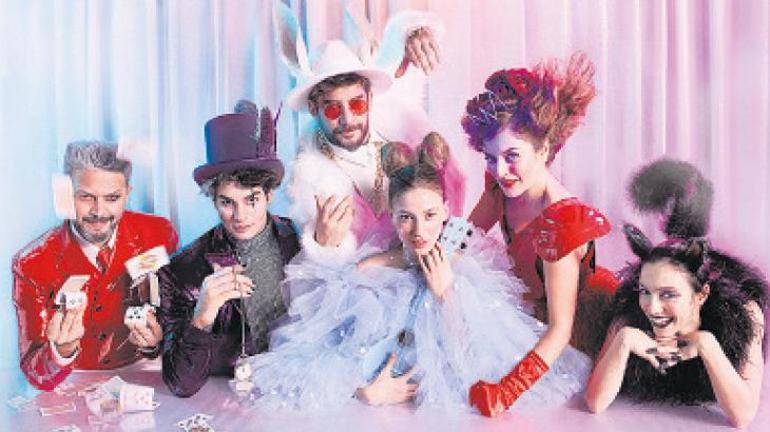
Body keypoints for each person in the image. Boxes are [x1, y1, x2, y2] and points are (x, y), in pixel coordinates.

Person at [247, 133, 590, 412]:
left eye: (429, 216)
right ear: (392, 216)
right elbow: (333, 353)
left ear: (446, 212)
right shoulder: (370, 271)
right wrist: (363, 391)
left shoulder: (465, 267)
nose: (419, 231)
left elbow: (465, 363)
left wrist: (445, 294)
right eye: (405, 218)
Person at [461, 53, 619, 416]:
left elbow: (560, 330)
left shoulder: (561, 220)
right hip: (526, 309)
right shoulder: (501, 186)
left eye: (512, 156)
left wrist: (505, 392)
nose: (500, 170)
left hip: (569, 332)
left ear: (544, 149)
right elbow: (465, 240)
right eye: (490, 158)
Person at [585, 159, 767, 428]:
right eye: (645, 291)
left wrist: (707, 345)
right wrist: (623, 341)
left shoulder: (744, 314)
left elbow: (743, 416)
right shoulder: (630, 312)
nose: (652, 307)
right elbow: (595, 402)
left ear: (701, 295)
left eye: (668, 295)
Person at [274, 4, 464, 262]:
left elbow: (454, 202)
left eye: (357, 105)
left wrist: (452, 260)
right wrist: (322, 245)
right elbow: (325, 270)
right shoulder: (308, 182)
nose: (348, 119)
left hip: (435, 267)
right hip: (360, 283)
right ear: (313, 108)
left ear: (370, 99)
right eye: (333, 109)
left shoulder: (407, 136)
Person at [158, 102, 301, 397]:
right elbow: (181, 385)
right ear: (213, 199)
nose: (240, 216)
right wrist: (202, 315)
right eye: (227, 202)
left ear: (269, 195)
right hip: (227, 398)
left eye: (251, 200)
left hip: (295, 389)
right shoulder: (182, 271)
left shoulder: (301, 242)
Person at [12, 141, 178, 391]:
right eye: (86, 197)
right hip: (71, 376)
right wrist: (61, 352)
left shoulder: (159, 234)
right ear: (67, 195)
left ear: (127, 193)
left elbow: (175, 313)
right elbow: (34, 372)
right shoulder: (32, 263)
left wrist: (154, 344)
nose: (99, 212)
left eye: (112, 198)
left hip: (141, 369)